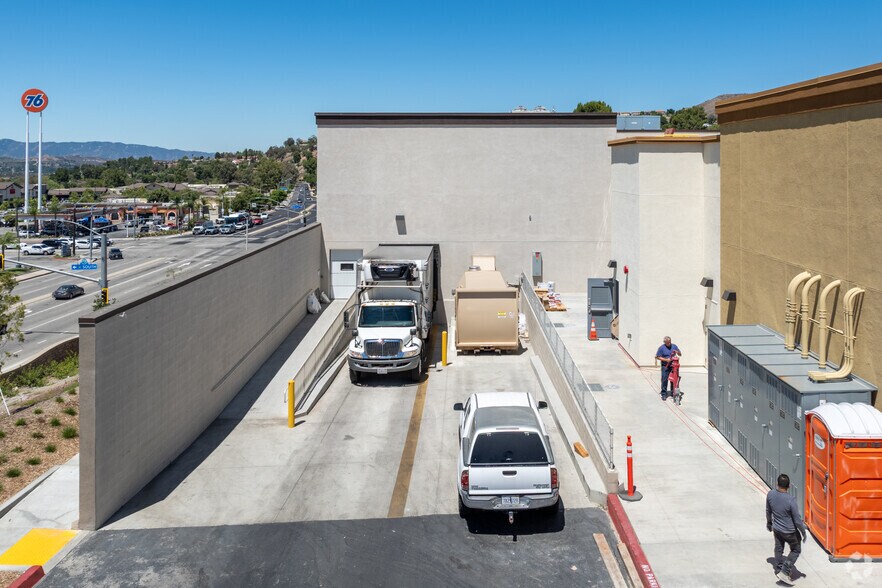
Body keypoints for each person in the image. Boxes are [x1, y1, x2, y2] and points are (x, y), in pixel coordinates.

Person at [766, 474, 807, 585]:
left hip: (777, 529)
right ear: (789, 486)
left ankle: (779, 569)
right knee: (796, 549)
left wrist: (769, 523)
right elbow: (797, 520)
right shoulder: (791, 500)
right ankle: (785, 571)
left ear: (777, 484)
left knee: (779, 548)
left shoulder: (770, 494)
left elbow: (768, 510)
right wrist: (803, 532)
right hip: (790, 532)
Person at [655, 336, 681, 401]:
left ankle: (673, 392)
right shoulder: (661, 348)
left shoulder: (674, 346)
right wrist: (666, 360)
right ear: (664, 342)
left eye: (670, 342)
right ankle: (664, 393)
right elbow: (657, 357)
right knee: (664, 379)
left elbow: (680, 354)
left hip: (673, 366)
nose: (669, 344)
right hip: (665, 366)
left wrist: (678, 352)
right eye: (667, 343)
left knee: (674, 379)